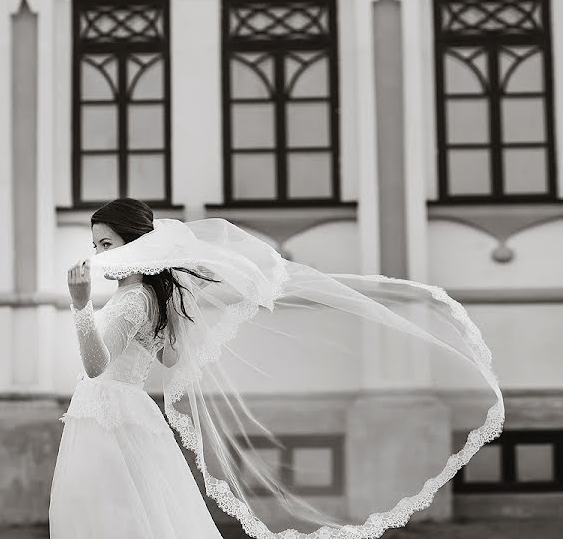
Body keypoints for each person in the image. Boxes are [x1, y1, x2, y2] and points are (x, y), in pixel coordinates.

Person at [49, 198, 503, 539]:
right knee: (138, 515)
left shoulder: (130, 300)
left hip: (106, 415)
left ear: (137, 246)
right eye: (95, 245)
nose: (98, 255)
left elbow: (94, 366)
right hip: (128, 415)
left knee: (108, 517)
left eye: (106, 244)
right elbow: (168, 360)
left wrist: (79, 306)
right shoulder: (153, 299)